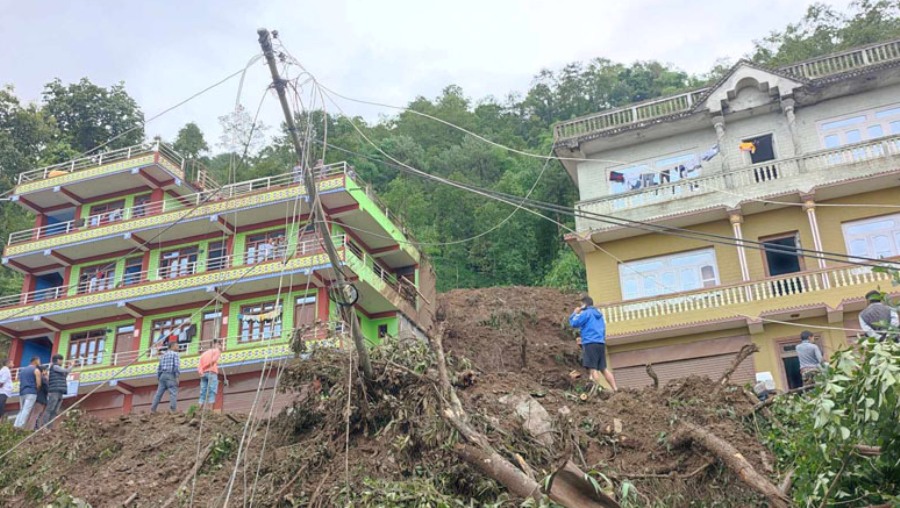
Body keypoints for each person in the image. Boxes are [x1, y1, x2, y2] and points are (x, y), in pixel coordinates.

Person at [569, 296, 618, 393]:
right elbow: (603, 329)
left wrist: (575, 313)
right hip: (600, 343)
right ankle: (615, 389)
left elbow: (574, 323)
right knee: (603, 368)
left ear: (584, 304)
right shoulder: (599, 315)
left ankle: (596, 390)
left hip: (590, 343)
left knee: (593, 368)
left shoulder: (586, 313)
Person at [42, 354, 72, 428]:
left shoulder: (57, 369)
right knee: (50, 409)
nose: (62, 362)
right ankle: (45, 426)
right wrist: (71, 366)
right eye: (61, 360)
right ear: (58, 360)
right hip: (54, 391)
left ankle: (50, 426)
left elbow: (65, 374)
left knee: (55, 411)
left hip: (59, 391)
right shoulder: (55, 367)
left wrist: (69, 367)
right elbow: (66, 370)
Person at [13, 356, 42, 429]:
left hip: (22, 392)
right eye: (39, 361)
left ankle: (15, 425)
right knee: (26, 410)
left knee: (22, 409)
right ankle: (20, 426)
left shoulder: (22, 370)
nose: (39, 362)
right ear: (35, 361)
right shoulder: (36, 370)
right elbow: (39, 383)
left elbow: (20, 380)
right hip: (31, 392)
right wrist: (37, 390)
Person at [151, 342, 180, 413]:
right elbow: (176, 366)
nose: (178, 347)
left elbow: (159, 368)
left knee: (158, 394)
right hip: (170, 375)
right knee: (173, 392)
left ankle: (153, 409)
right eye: (177, 346)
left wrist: (159, 377)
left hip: (162, 376)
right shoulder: (175, 354)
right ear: (172, 346)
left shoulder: (163, 355)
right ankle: (173, 410)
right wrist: (177, 377)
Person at [197, 340, 223, 410]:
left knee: (203, 392)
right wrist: (207, 366)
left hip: (203, 374)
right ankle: (210, 410)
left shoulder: (204, 354)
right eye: (219, 344)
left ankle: (199, 409)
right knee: (212, 391)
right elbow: (214, 360)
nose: (220, 346)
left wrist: (201, 372)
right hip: (212, 372)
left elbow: (199, 365)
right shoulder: (217, 351)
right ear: (215, 344)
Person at [27, 366, 48, 430]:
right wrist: (46, 378)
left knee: (33, 414)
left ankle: (32, 428)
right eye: (46, 370)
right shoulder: (43, 378)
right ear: (43, 371)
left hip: (34, 398)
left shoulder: (34, 378)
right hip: (40, 399)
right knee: (36, 415)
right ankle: (30, 430)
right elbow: (47, 389)